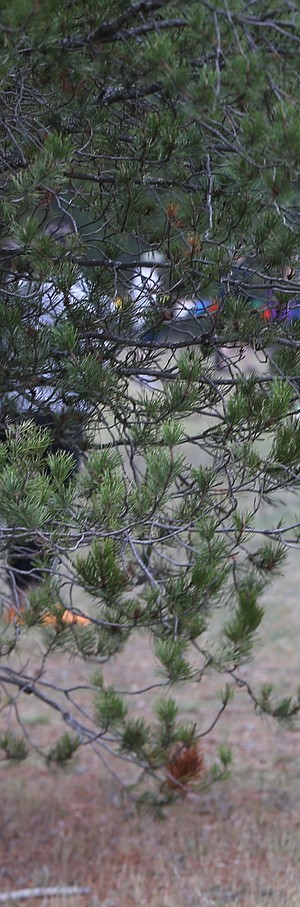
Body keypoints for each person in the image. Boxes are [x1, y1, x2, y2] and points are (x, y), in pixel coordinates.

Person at [2, 219, 93, 624]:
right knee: (46, 508)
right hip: (54, 415)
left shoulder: (13, 291)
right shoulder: (72, 293)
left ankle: (26, 601)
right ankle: (31, 603)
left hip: (18, 414)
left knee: (26, 505)